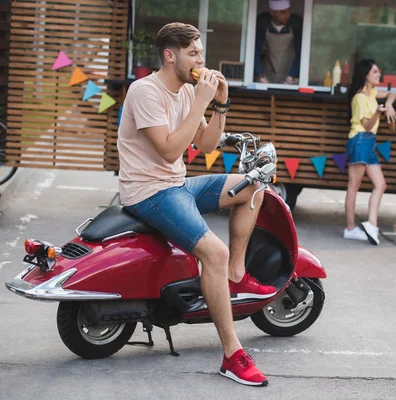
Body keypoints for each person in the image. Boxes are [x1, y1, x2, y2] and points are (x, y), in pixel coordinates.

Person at [117, 22, 275, 387]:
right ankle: (232, 355)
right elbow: (171, 148)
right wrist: (203, 99)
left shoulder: (189, 91)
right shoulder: (145, 92)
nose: (200, 60)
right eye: (193, 53)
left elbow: (205, 145)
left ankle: (236, 273)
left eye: (201, 52)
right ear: (170, 55)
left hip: (177, 184)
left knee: (253, 185)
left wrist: (220, 102)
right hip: (149, 192)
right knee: (212, 253)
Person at [344, 59, 396, 245]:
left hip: (369, 143)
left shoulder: (372, 93)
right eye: (375, 72)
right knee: (354, 186)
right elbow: (366, 126)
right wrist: (378, 112)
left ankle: (372, 225)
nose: (378, 75)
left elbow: (392, 93)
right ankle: (349, 229)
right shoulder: (359, 98)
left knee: (380, 184)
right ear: (366, 75)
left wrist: (388, 105)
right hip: (360, 140)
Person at [254, 0, 302, 84]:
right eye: (283, 12)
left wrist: (292, 75)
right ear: (272, 12)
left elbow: (300, 52)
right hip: (267, 74)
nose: (287, 15)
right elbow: (256, 51)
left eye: (288, 11)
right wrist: (260, 75)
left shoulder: (295, 24)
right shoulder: (263, 23)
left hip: (288, 75)